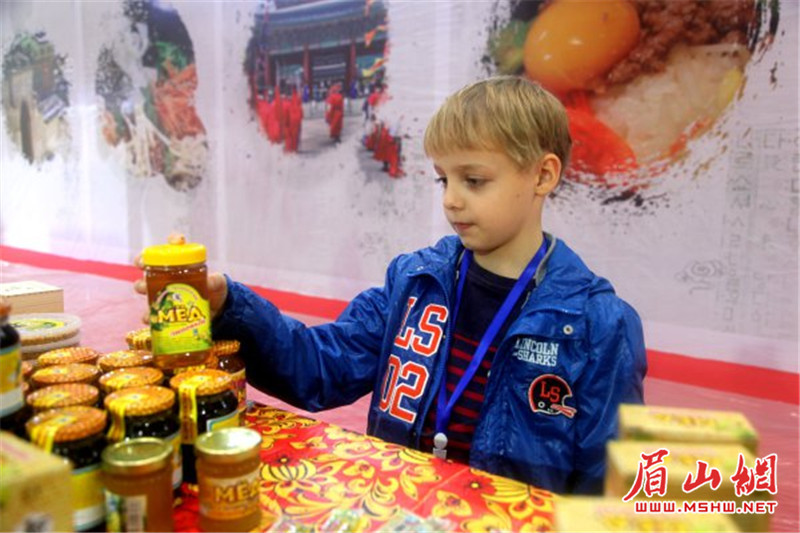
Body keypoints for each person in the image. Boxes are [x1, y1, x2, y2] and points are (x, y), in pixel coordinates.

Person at [135, 76, 646, 494]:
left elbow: (610, 484)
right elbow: (316, 367)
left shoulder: (597, 325)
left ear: (542, 176)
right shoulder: (415, 283)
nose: (451, 200)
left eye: (474, 180)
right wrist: (228, 304)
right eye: (443, 179)